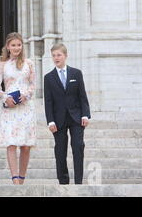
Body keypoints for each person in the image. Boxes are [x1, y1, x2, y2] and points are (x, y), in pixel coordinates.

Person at [0, 33, 36, 184]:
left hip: (26, 108)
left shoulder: (29, 63)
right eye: (13, 45)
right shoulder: (2, 64)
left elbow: (32, 84)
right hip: (9, 108)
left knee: (25, 145)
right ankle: (15, 179)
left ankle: (22, 178)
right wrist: (5, 98)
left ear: (22, 46)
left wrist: (26, 96)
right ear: (8, 47)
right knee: (11, 143)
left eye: (19, 45)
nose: (16, 48)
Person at [44, 43, 91, 185]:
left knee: (78, 147)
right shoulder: (49, 77)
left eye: (59, 55)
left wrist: (85, 115)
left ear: (65, 56)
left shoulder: (76, 73)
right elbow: (48, 102)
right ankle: (63, 181)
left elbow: (82, 96)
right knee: (60, 150)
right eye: (54, 55)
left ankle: (78, 182)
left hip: (76, 118)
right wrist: (50, 121)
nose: (56, 58)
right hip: (58, 120)